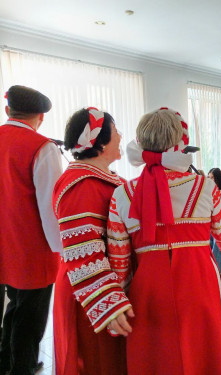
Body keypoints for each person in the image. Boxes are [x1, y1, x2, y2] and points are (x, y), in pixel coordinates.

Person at [106, 108, 221, 375]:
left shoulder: (121, 194)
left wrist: (116, 302)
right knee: (201, 355)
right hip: (199, 286)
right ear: (179, 143)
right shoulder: (205, 188)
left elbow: (119, 260)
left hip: (148, 292)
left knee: (156, 359)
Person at [52, 107, 129, 375]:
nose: (120, 136)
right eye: (116, 131)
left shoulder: (103, 177)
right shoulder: (81, 184)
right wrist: (107, 302)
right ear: (101, 141)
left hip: (103, 284)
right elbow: (83, 252)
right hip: (88, 292)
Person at [0, 85, 62, 375]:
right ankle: (21, 367)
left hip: (4, 244)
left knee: (12, 308)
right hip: (30, 249)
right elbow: (50, 207)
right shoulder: (41, 147)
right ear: (41, 116)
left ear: (7, 110)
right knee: (30, 319)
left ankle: (6, 361)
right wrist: (61, 250)